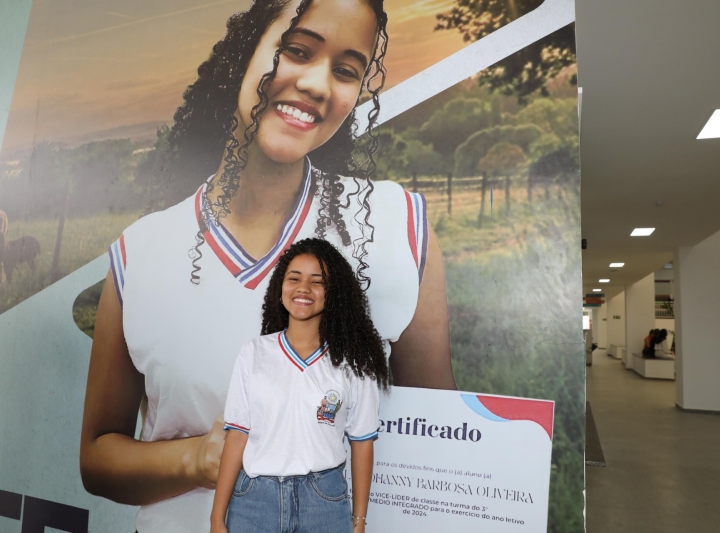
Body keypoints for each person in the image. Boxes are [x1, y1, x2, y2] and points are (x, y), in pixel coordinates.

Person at [80, 1, 455, 531]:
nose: (319, 85)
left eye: (346, 71)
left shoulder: (399, 228)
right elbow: (97, 458)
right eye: (297, 51)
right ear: (242, 52)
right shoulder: (141, 251)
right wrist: (200, 458)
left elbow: (438, 448)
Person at [210, 238, 384, 533]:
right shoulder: (254, 352)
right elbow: (237, 437)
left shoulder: (354, 364)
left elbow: (362, 443)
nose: (303, 288)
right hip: (254, 502)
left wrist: (359, 520)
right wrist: (217, 518)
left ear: (334, 293)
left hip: (324, 503)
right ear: (280, 287)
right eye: (294, 278)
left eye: (317, 282)